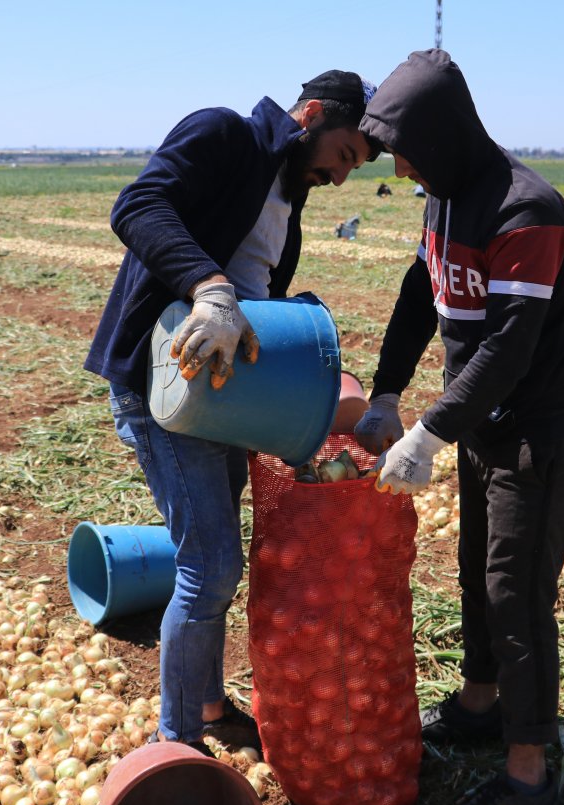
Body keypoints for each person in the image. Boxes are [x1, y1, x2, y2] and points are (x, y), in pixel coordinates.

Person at [85, 69, 378, 753]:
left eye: (355, 168)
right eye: (344, 155)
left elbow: (264, 297)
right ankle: (177, 744)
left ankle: (209, 703)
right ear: (310, 114)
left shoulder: (288, 197)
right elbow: (138, 207)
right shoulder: (223, 134)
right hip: (167, 385)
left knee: (214, 563)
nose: (341, 177)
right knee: (210, 565)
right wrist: (209, 288)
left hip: (228, 399)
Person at [355, 49, 564, 805]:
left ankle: (528, 778)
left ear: (447, 133)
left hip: (538, 426)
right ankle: (480, 701)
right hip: (485, 423)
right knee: (473, 572)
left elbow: (509, 347)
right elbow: (418, 293)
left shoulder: (527, 210)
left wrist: (429, 430)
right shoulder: (444, 197)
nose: (399, 163)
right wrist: (389, 390)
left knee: (516, 594)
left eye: (407, 146)